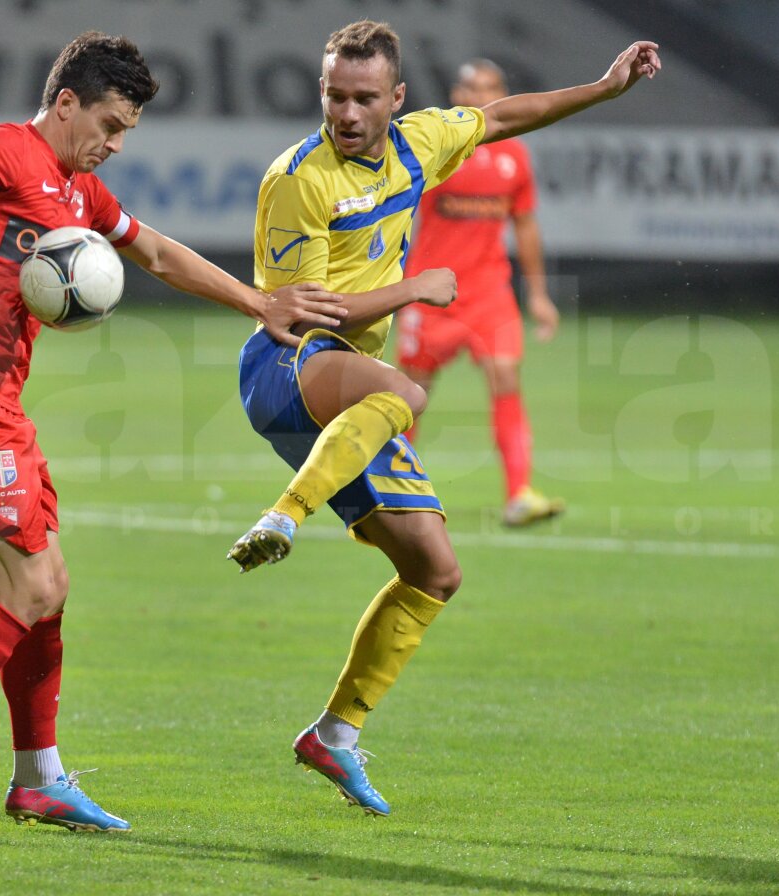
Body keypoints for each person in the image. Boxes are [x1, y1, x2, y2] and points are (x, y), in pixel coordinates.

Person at [0, 31, 343, 833]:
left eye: (127, 131)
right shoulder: (6, 152)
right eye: (111, 125)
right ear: (65, 103)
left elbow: (155, 251)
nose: (117, 145)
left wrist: (260, 304)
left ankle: (39, 780)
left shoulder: (80, 194)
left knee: (47, 596)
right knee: (32, 587)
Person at [227, 20, 659, 816]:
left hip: (347, 393)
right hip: (286, 365)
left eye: (363, 98)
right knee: (408, 393)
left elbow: (503, 117)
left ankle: (335, 734)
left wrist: (604, 88)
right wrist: (413, 287)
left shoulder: (423, 140)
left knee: (435, 570)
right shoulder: (297, 179)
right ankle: (282, 518)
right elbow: (303, 314)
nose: (347, 113)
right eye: (333, 95)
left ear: (397, 99)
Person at [396, 59, 563, 527]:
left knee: (505, 378)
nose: (480, 96)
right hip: (433, 293)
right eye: (472, 87)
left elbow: (525, 228)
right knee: (408, 394)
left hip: (490, 293)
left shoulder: (514, 157)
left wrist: (538, 295)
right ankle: (390, 494)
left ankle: (519, 494)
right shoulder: (435, 151)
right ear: (456, 94)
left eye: (491, 88)